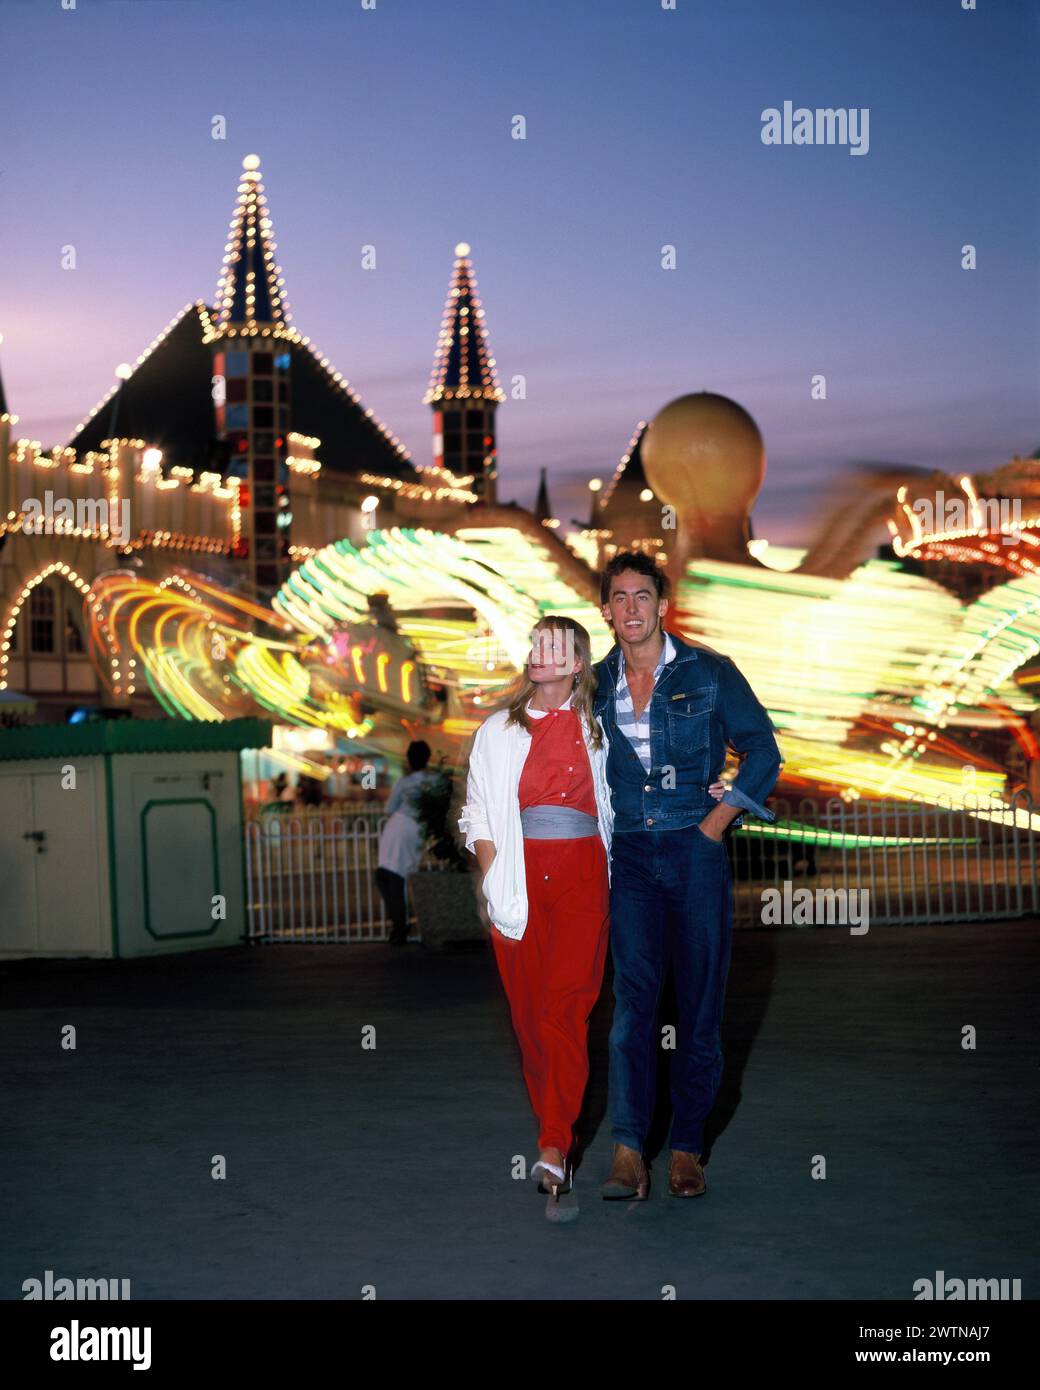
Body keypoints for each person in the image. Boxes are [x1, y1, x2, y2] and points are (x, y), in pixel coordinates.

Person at [594, 550, 782, 1201]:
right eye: (620, 597)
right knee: (633, 1006)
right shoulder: (595, 684)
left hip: (693, 850)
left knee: (699, 1005)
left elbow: (763, 749)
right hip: (630, 857)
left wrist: (714, 825)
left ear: (663, 605)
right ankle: (627, 1149)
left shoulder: (709, 671)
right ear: (606, 610)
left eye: (642, 596)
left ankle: (686, 1148)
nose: (631, 608)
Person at [457, 616, 614, 1215]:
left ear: (577, 664)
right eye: (536, 642)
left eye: (555, 644)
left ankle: (553, 1144)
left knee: (564, 1010)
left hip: (583, 875)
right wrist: (495, 875)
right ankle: (557, 1132)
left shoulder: (601, 726)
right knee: (529, 1023)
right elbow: (476, 814)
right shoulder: (497, 730)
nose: (539, 651)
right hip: (517, 881)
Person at [376, 741, 438, 947]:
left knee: (388, 876)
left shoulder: (405, 781)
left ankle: (399, 926)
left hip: (399, 826)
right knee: (396, 875)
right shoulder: (435, 780)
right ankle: (400, 925)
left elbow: (389, 808)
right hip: (416, 829)